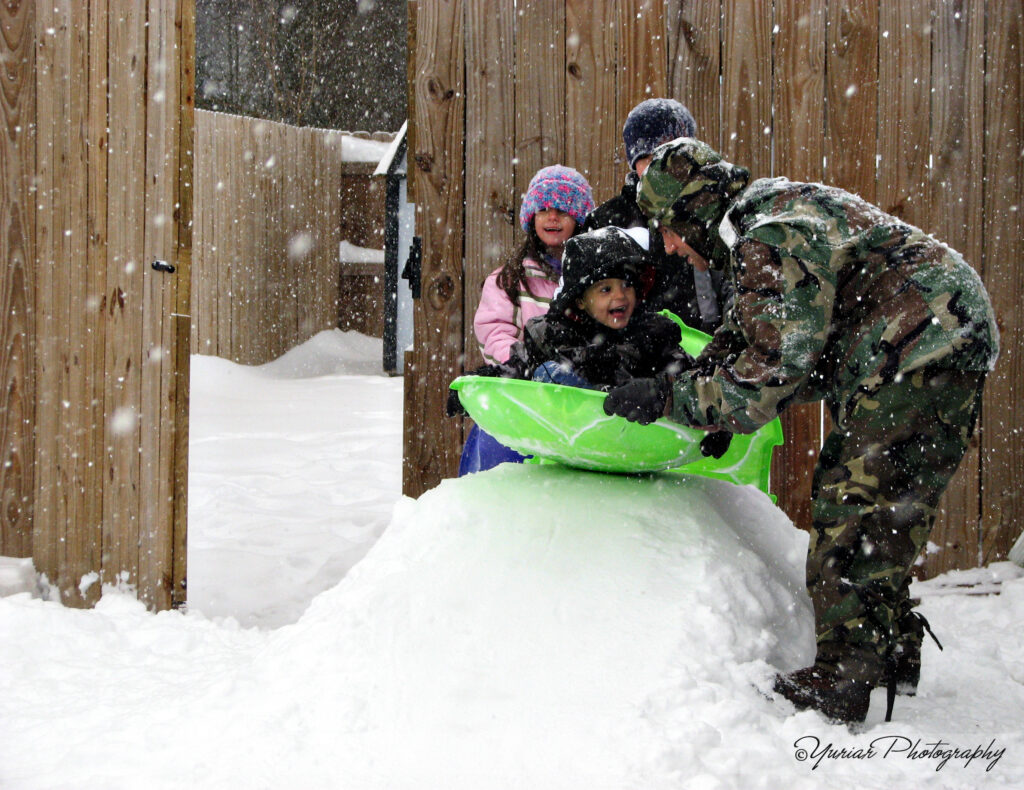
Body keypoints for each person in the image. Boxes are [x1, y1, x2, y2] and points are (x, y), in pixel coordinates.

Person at [604, 136, 999, 723]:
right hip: (937, 337)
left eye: (668, 226)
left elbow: (769, 375)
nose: (668, 245)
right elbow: (750, 335)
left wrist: (672, 400)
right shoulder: (758, 218)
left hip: (917, 347)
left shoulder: (766, 237)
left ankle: (844, 678)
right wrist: (699, 384)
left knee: (854, 503)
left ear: (694, 210)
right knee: (891, 504)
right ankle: (887, 650)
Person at [458, 164, 595, 474]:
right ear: (531, 218)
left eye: (562, 209)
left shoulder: (594, 281)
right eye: (543, 209)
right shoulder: (510, 279)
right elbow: (494, 332)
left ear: (580, 218)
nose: (552, 217)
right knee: (508, 468)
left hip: (575, 401)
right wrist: (526, 362)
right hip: (520, 395)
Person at [583, 98, 729, 335]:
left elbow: (729, 279)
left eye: (672, 157)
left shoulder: (705, 207)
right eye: (651, 159)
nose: (662, 170)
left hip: (702, 335)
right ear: (634, 162)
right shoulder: (611, 219)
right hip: (637, 343)